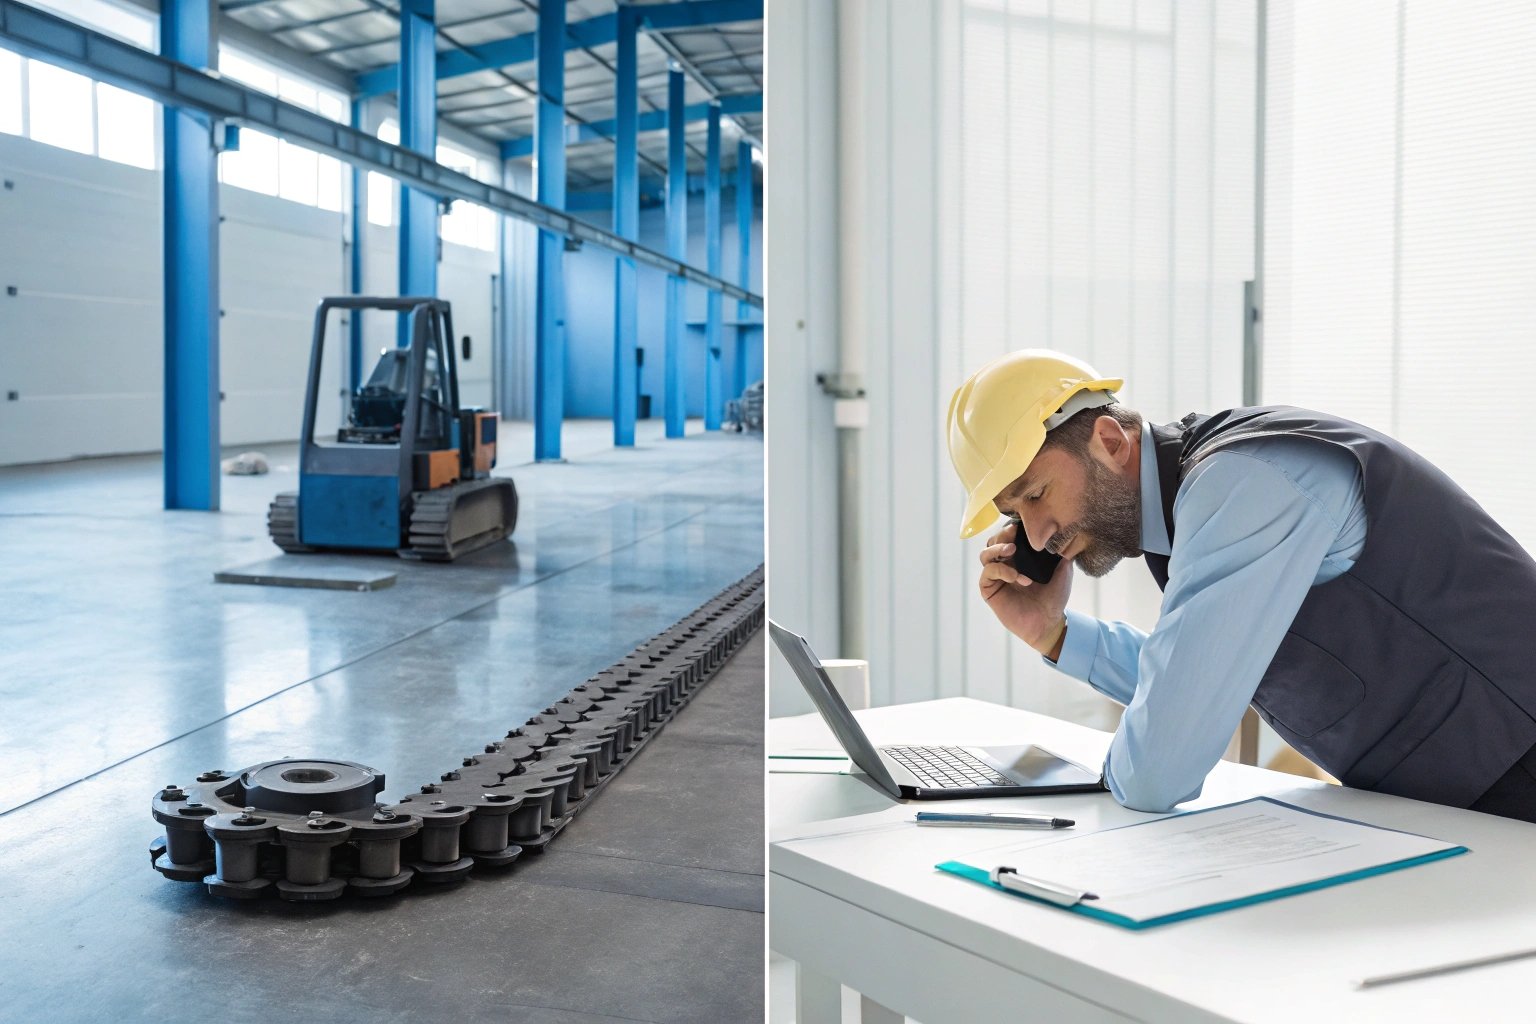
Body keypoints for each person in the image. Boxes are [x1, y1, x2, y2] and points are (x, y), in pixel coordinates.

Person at [945, 349, 1536, 822]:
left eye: (1037, 494)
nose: (1037, 533)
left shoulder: (1240, 483)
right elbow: (1198, 677)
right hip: (1469, 794)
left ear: (1111, 440)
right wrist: (1053, 633)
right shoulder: (1184, 511)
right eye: (1015, 513)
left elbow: (1158, 769)